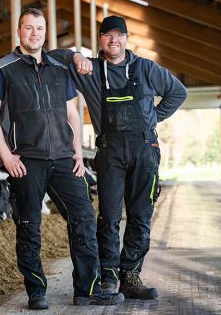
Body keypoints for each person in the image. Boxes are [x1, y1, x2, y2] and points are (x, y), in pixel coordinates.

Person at [0, 8, 124, 310]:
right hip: (26, 160)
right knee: (30, 224)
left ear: (46, 32)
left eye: (40, 28)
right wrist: (6, 156)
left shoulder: (60, 67)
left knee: (83, 217)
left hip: (63, 158)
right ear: (19, 31)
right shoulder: (3, 68)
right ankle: (36, 291)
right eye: (28, 28)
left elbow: (73, 112)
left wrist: (77, 152)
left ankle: (87, 289)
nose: (34, 33)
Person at [49, 15, 187, 299]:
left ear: (126, 38)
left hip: (145, 151)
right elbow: (51, 56)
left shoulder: (146, 68)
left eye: (118, 35)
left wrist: (152, 120)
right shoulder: (89, 70)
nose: (113, 40)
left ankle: (130, 275)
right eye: (107, 35)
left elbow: (177, 93)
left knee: (140, 216)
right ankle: (109, 276)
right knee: (109, 216)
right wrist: (75, 56)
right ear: (100, 39)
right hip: (109, 152)